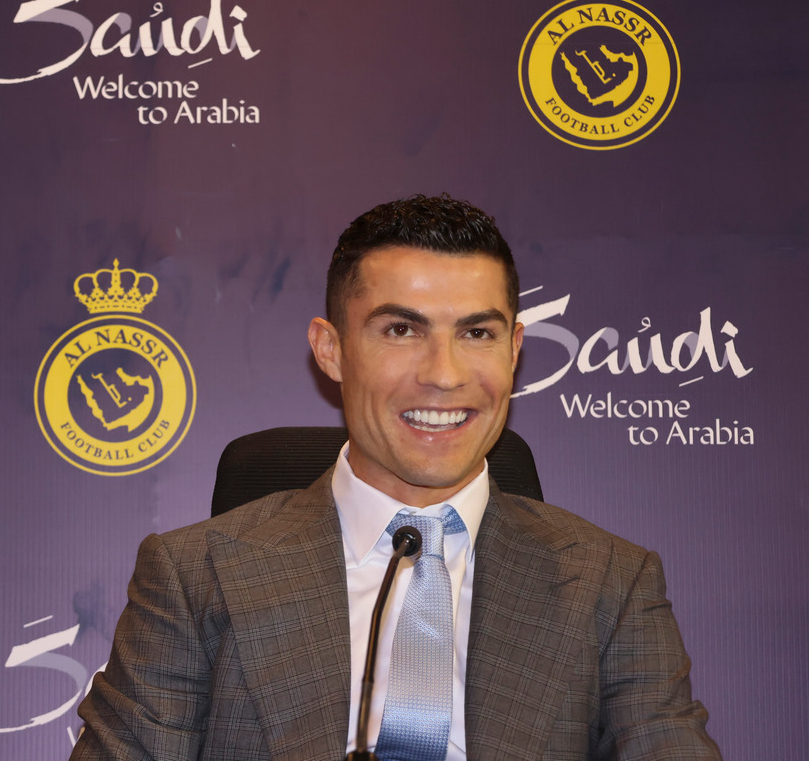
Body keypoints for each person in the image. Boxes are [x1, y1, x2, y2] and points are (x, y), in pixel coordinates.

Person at [69, 195, 720, 760]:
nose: (444, 373)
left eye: (477, 333)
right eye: (402, 329)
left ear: (515, 351)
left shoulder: (611, 584)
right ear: (331, 349)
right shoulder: (194, 577)